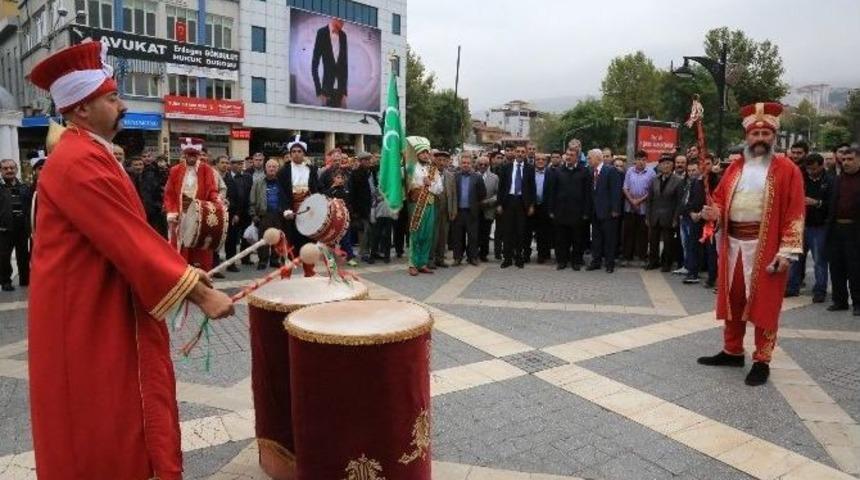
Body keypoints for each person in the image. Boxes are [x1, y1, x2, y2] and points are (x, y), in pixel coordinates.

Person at [26, 41, 233, 479]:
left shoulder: (85, 152)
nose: (122, 106)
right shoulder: (79, 160)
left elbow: (129, 234)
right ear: (82, 108)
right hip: (88, 315)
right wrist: (198, 293)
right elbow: (127, 238)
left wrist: (185, 271)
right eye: (112, 97)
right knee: (104, 420)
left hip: (94, 305)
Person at [698, 102, 806, 386]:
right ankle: (732, 351)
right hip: (733, 244)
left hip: (766, 246)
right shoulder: (735, 167)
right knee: (733, 300)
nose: (760, 138)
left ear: (774, 136)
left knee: (764, 306)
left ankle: (762, 359)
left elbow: (795, 212)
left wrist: (787, 251)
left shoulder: (788, 170)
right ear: (747, 137)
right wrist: (714, 212)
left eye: (765, 134)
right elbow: (720, 198)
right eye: (755, 134)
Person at [164, 137, 223, 271]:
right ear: (184, 155)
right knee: (181, 246)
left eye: (194, 155)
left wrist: (218, 200)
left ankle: (201, 273)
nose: (192, 158)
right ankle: (182, 273)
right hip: (180, 215)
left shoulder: (206, 169)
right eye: (189, 155)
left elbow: (211, 190)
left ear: (198, 155)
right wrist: (171, 211)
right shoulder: (175, 170)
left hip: (199, 214)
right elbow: (169, 193)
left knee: (200, 245)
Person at [786, 153, 831, 301]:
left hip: (818, 226)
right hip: (800, 223)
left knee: (819, 260)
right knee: (795, 258)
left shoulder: (829, 180)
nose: (811, 171)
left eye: (814, 169)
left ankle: (820, 290)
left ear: (822, 165)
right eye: (808, 168)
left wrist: (816, 203)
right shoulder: (800, 177)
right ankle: (792, 286)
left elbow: (832, 204)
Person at [825, 146, 860, 316]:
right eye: (844, 160)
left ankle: (858, 303)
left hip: (855, 230)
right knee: (836, 266)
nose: (846, 163)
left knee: (856, 267)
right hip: (836, 228)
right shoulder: (837, 180)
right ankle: (840, 300)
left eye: (850, 159)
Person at [277, 136, 320, 274]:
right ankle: (287, 274)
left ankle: (309, 271)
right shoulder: (283, 171)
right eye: (293, 151)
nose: (296, 154)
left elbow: (316, 189)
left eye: (299, 151)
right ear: (290, 153)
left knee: (309, 243)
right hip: (291, 212)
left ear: (304, 153)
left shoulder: (312, 170)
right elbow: (281, 193)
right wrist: (286, 210)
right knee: (290, 244)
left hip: (308, 212)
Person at [547, 147, 591, 270]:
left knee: (577, 239)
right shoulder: (558, 171)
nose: (569, 157)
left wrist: (586, 211)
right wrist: (551, 210)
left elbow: (587, 193)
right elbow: (552, 192)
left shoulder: (584, 171)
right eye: (567, 154)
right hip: (561, 211)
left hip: (578, 212)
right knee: (561, 239)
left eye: (572, 155)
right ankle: (562, 261)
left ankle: (576, 262)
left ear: (577, 157)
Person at [406, 139, 443, 276]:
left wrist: (429, 184)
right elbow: (405, 184)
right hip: (416, 204)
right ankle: (412, 264)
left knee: (427, 234)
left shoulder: (433, 169)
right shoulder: (410, 167)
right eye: (422, 152)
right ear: (417, 153)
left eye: (427, 152)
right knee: (416, 233)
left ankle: (422, 263)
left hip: (430, 204)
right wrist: (419, 184)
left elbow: (439, 189)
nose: (425, 155)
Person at [497, 145, 536, 269]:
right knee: (507, 231)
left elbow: (532, 188)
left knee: (521, 231)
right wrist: (499, 204)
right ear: (514, 152)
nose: (520, 154)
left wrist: (531, 205)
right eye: (518, 151)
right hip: (508, 201)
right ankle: (507, 258)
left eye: (522, 152)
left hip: (522, 202)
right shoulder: (506, 167)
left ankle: (519, 257)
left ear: (525, 154)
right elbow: (501, 187)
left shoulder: (530, 169)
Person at [587, 148, 624, 273]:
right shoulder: (591, 171)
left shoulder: (611, 170)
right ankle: (596, 261)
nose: (588, 160)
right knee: (596, 238)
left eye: (589, 158)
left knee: (609, 239)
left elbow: (616, 191)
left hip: (608, 212)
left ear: (598, 158)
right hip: (595, 211)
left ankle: (609, 263)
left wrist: (615, 209)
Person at [645, 155, 684, 272]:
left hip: (669, 216)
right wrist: (647, 216)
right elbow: (649, 200)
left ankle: (666, 263)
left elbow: (679, 202)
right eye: (663, 164)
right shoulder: (654, 179)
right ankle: (653, 262)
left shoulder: (678, 181)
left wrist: (676, 218)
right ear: (659, 166)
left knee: (668, 242)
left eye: (668, 163)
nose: (665, 166)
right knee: (653, 241)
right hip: (654, 215)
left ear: (672, 166)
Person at [0, 159, 32, 290]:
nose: (9, 170)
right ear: (1, 171)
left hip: (22, 228)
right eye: (5, 168)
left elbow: (30, 207)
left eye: (12, 168)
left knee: (23, 256)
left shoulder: (24, 187)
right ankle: (5, 282)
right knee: (3, 257)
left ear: (16, 169)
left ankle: (25, 280)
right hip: (4, 229)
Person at [251, 159, 288, 270]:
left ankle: (274, 260)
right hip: (264, 214)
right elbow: (252, 199)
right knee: (263, 239)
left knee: (277, 238)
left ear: (277, 169)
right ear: (265, 168)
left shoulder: (282, 182)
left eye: (274, 167)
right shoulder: (258, 182)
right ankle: (263, 261)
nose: (271, 169)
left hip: (279, 215)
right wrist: (253, 214)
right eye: (269, 166)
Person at [451, 153, 486, 266]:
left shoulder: (477, 177)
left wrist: (475, 205)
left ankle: (473, 257)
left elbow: (482, 194)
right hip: (458, 211)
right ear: (460, 164)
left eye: (468, 163)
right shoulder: (455, 176)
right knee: (457, 236)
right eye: (463, 163)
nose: (465, 165)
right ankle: (457, 257)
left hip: (472, 212)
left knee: (473, 236)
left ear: (472, 164)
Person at [622, 150, 654, 265]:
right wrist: (632, 201)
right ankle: (627, 257)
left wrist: (638, 201)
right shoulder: (630, 171)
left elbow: (651, 191)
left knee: (643, 234)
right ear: (635, 160)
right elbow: (625, 187)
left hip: (644, 208)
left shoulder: (651, 173)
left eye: (643, 160)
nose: (641, 162)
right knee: (628, 233)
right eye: (638, 159)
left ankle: (642, 257)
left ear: (646, 161)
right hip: (629, 207)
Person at [312, 18, 348, 108]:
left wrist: (345, 92)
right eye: (340, 20)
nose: (343, 22)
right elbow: (315, 63)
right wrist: (319, 91)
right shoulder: (322, 33)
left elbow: (345, 65)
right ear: (334, 19)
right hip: (326, 91)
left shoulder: (343, 35)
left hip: (340, 91)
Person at [679, 161, 705, 284]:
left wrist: (696, 213)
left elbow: (699, 201)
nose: (691, 173)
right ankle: (689, 268)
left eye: (693, 170)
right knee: (687, 244)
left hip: (698, 218)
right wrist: (688, 212)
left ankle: (694, 273)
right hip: (687, 216)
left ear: (699, 169)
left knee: (694, 246)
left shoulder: (701, 183)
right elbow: (685, 201)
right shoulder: (689, 183)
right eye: (689, 171)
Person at [226, 157, 253, 269]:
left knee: (246, 236)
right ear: (231, 165)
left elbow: (250, 193)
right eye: (237, 164)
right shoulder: (226, 177)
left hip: (245, 212)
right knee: (231, 238)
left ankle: (245, 258)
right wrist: (236, 213)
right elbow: (228, 197)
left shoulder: (247, 177)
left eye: (241, 164)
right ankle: (230, 263)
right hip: (232, 213)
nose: (240, 166)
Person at [524, 154, 552, 263]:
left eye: (543, 159)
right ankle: (526, 254)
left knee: (542, 233)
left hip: (544, 207)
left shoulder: (551, 173)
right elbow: (526, 189)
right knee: (527, 232)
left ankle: (541, 255)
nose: (540, 161)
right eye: (538, 159)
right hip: (531, 206)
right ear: (534, 161)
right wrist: (529, 205)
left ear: (546, 161)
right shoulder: (528, 173)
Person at [432, 150, 457, 268]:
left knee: (443, 236)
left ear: (447, 162)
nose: (442, 162)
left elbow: (454, 195)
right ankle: (430, 259)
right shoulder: (430, 173)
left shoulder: (451, 176)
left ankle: (440, 259)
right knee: (433, 235)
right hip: (433, 209)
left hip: (446, 210)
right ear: (435, 160)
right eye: (439, 160)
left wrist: (453, 211)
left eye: (444, 160)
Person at [351, 152, 375, 263]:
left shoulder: (371, 172)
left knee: (372, 230)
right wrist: (355, 209)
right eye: (365, 160)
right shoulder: (355, 174)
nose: (368, 162)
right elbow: (353, 193)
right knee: (365, 230)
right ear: (360, 161)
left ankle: (372, 251)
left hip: (374, 204)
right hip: (362, 206)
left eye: (369, 160)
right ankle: (364, 253)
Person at [477, 155, 499, 262]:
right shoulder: (473, 175)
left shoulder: (494, 178)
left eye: (485, 164)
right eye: (480, 164)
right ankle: (473, 253)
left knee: (485, 233)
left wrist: (489, 201)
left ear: (488, 165)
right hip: (475, 210)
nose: (483, 166)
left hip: (488, 209)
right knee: (474, 233)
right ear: (477, 165)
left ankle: (484, 254)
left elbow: (498, 194)